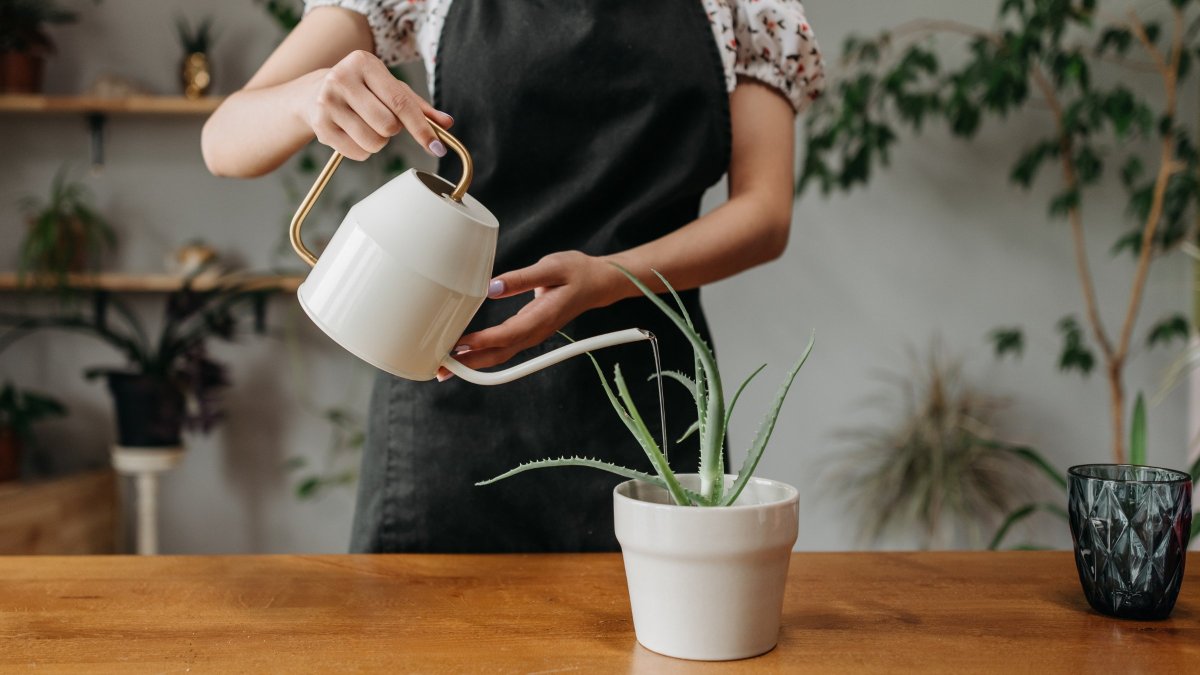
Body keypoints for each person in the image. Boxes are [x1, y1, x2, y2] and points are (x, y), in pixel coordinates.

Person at [202, 0, 823, 553]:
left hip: (646, 406)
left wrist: (611, 276)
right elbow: (223, 142)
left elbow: (764, 216)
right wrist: (307, 96)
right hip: (453, 391)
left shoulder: (747, 9)